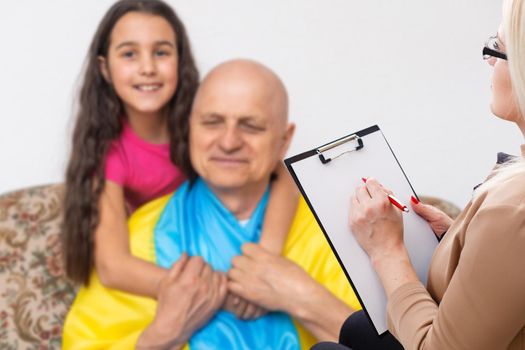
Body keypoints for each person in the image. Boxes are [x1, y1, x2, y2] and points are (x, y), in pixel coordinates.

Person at [63, 59, 361, 349]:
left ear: (284, 140)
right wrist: (161, 336)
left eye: (251, 126)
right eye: (212, 122)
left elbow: (398, 339)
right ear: (190, 127)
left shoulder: (333, 231)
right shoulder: (141, 235)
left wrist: (301, 296)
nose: (229, 142)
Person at [61, 0, 297, 320]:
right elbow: (113, 267)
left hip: (225, 252)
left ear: (180, 60)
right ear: (104, 68)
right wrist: (221, 293)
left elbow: (278, 172)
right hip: (167, 272)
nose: (147, 67)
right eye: (130, 54)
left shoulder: (206, 119)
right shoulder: (106, 153)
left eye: (161, 52)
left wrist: (266, 260)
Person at [314, 0, 525, 349]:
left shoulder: (513, 211)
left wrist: (387, 251)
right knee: (358, 329)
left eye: (498, 49)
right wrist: (461, 237)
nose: (488, 59)